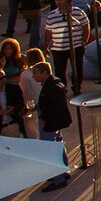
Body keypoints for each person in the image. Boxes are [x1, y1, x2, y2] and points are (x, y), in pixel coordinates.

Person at [31, 59, 73, 189]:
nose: (33, 76)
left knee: (50, 150)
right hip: (55, 121)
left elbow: (53, 106)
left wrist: (44, 116)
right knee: (58, 144)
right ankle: (63, 170)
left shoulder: (51, 87)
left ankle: (58, 179)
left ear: (44, 73)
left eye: (36, 73)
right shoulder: (55, 83)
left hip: (50, 122)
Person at [42, 0, 92, 94]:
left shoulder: (78, 12)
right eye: (57, 0)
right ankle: (62, 89)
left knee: (77, 69)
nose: (59, 2)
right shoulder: (52, 15)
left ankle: (77, 88)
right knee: (59, 71)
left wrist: (84, 41)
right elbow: (48, 32)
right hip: (58, 48)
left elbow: (85, 27)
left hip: (76, 46)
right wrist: (46, 46)